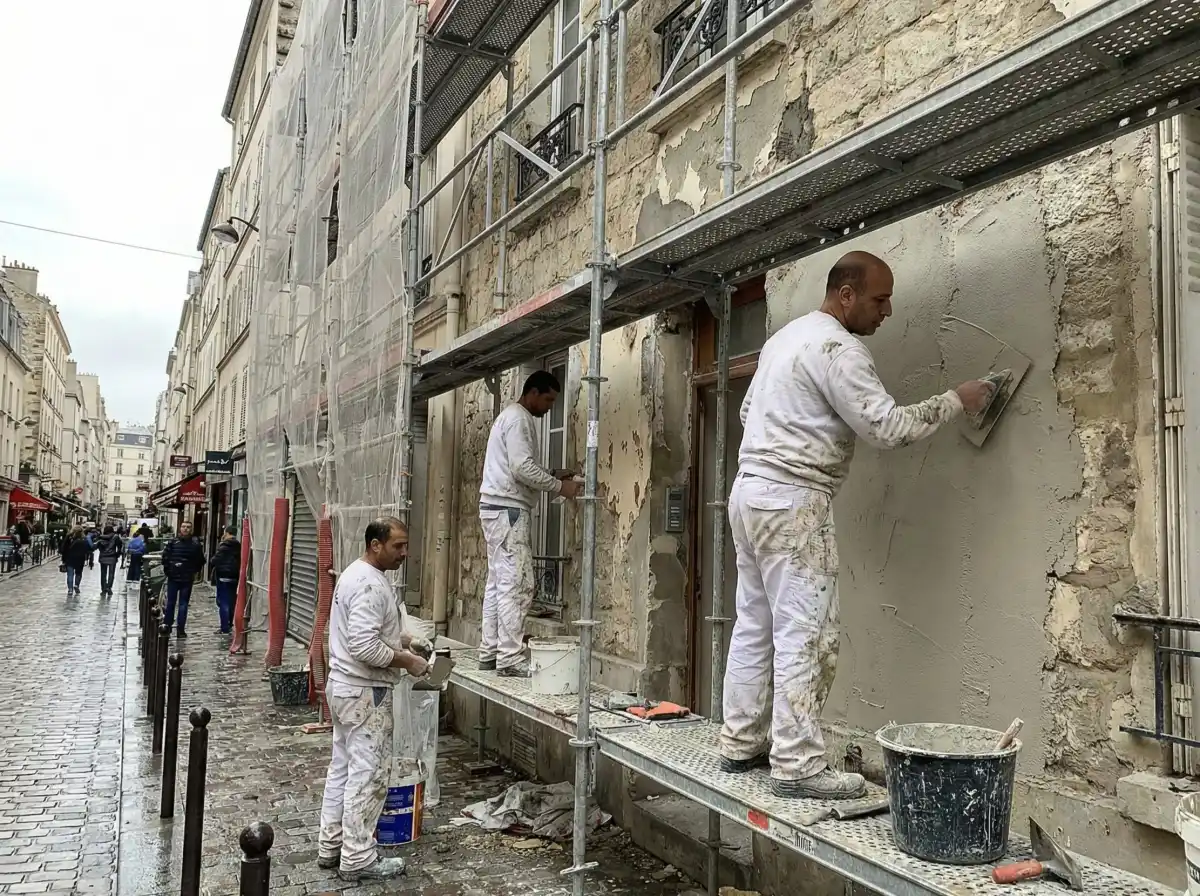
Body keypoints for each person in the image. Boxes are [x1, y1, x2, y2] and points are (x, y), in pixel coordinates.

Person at [718, 252, 996, 800]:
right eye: (879, 299)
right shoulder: (839, 349)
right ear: (846, 295)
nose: (886, 311)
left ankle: (740, 742)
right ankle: (797, 765)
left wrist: (794, 433)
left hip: (749, 492)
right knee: (807, 633)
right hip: (794, 501)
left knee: (754, 622)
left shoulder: (784, 339)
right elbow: (885, 428)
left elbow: (749, 413)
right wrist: (955, 400)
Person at [317, 518, 433, 881]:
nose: (404, 553)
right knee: (368, 776)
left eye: (406, 545)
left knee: (342, 768)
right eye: (398, 546)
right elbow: (365, 646)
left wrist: (408, 640)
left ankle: (331, 845)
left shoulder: (358, 574)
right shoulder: (369, 584)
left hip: (344, 688)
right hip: (364, 692)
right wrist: (408, 661)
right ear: (375, 545)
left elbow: (376, 630)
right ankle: (357, 857)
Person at [477, 370, 579, 676]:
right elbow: (521, 468)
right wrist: (560, 487)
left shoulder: (509, 417)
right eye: (548, 400)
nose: (549, 407)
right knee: (518, 583)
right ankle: (509, 657)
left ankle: (490, 651)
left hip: (496, 507)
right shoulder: (519, 419)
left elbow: (518, 466)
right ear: (532, 392)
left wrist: (551, 472)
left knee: (498, 583)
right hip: (508, 510)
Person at [161, 521, 206, 638]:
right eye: (184, 527)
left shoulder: (195, 544)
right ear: (180, 528)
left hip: (186, 578)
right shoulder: (173, 542)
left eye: (188, 527)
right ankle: (169, 627)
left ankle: (178, 628)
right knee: (172, 603)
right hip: (175, 577)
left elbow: (200, 560)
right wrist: (169, 570)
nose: (185, 529)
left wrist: (192, 571)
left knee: (182, 604)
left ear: (191, 529)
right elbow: (165, 558)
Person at [210, 525, 241, 634]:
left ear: (227, 533)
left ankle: (224, 627)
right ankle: (229, 623)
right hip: (234, 576)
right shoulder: (238, 546)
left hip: (223, 576)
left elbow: (215, 560)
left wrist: (212, 561)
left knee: (223, 602)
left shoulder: (224, 546)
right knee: (231, 602)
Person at [60, 526, 89, 596]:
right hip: (80, 558)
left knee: (70, 574)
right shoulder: (84, 538)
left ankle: (70, 589)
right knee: (78, 573)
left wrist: (63, 558)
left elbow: (63, 548)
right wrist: (86, 558)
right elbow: (87, 549)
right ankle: (76, 585)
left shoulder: (69, 537)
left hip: (69, 558)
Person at [95, 526, 123, 597]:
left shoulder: (101, 537)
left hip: (103, 557)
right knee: (111, 574)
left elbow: (97, 546)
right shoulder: (116, 537)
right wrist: (117, 554)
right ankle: (109, 587)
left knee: (103, 574)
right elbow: (119, 546)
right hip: (112, 557)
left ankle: (103, 589)